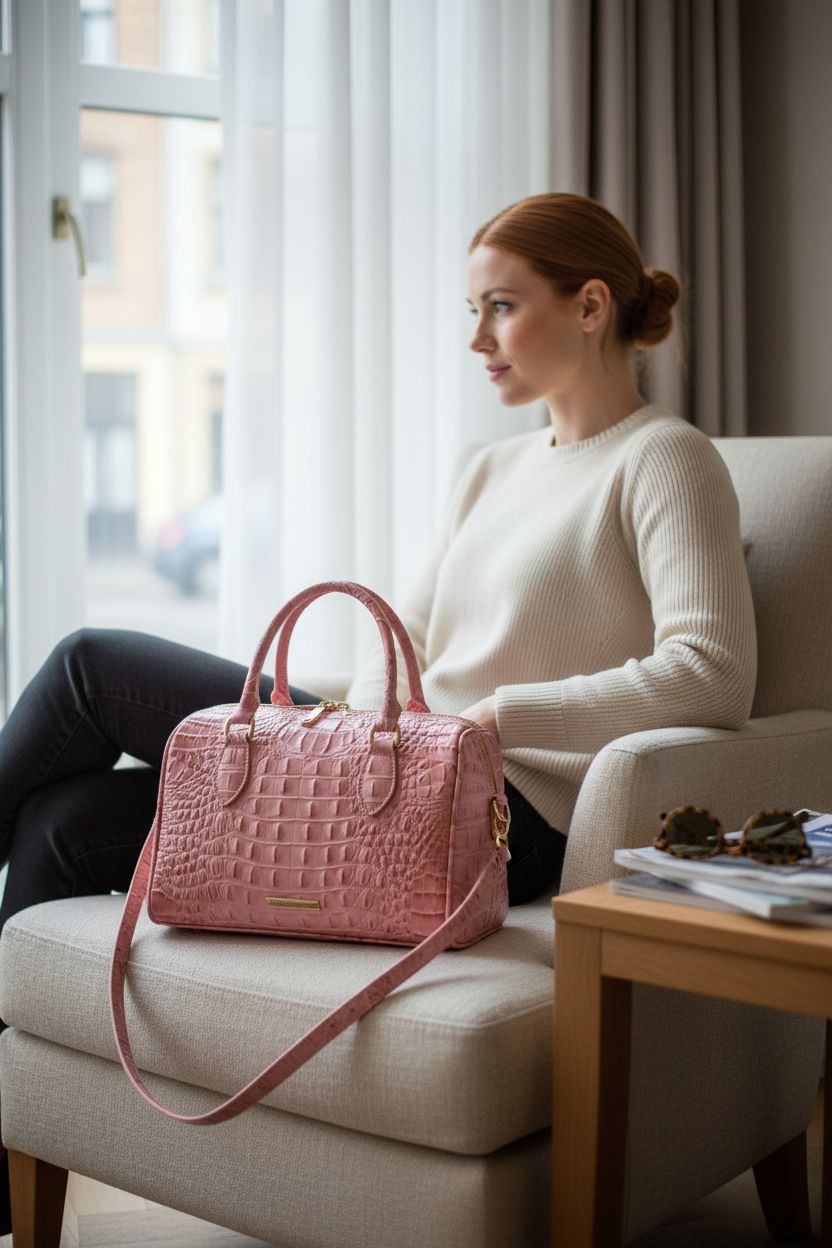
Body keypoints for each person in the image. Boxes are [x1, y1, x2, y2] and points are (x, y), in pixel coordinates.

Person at [0, 191, 755, 1225]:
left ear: (589, 307)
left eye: (499, 308)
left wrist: (499, 718)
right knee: (62, 821)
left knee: (92, 666)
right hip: (394, 765)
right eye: (472, 310)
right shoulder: (489, 469)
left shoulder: (664, 459)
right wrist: (354, 730)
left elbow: (711, 671)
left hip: (507, 811)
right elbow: (406, 626)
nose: (476, 339)